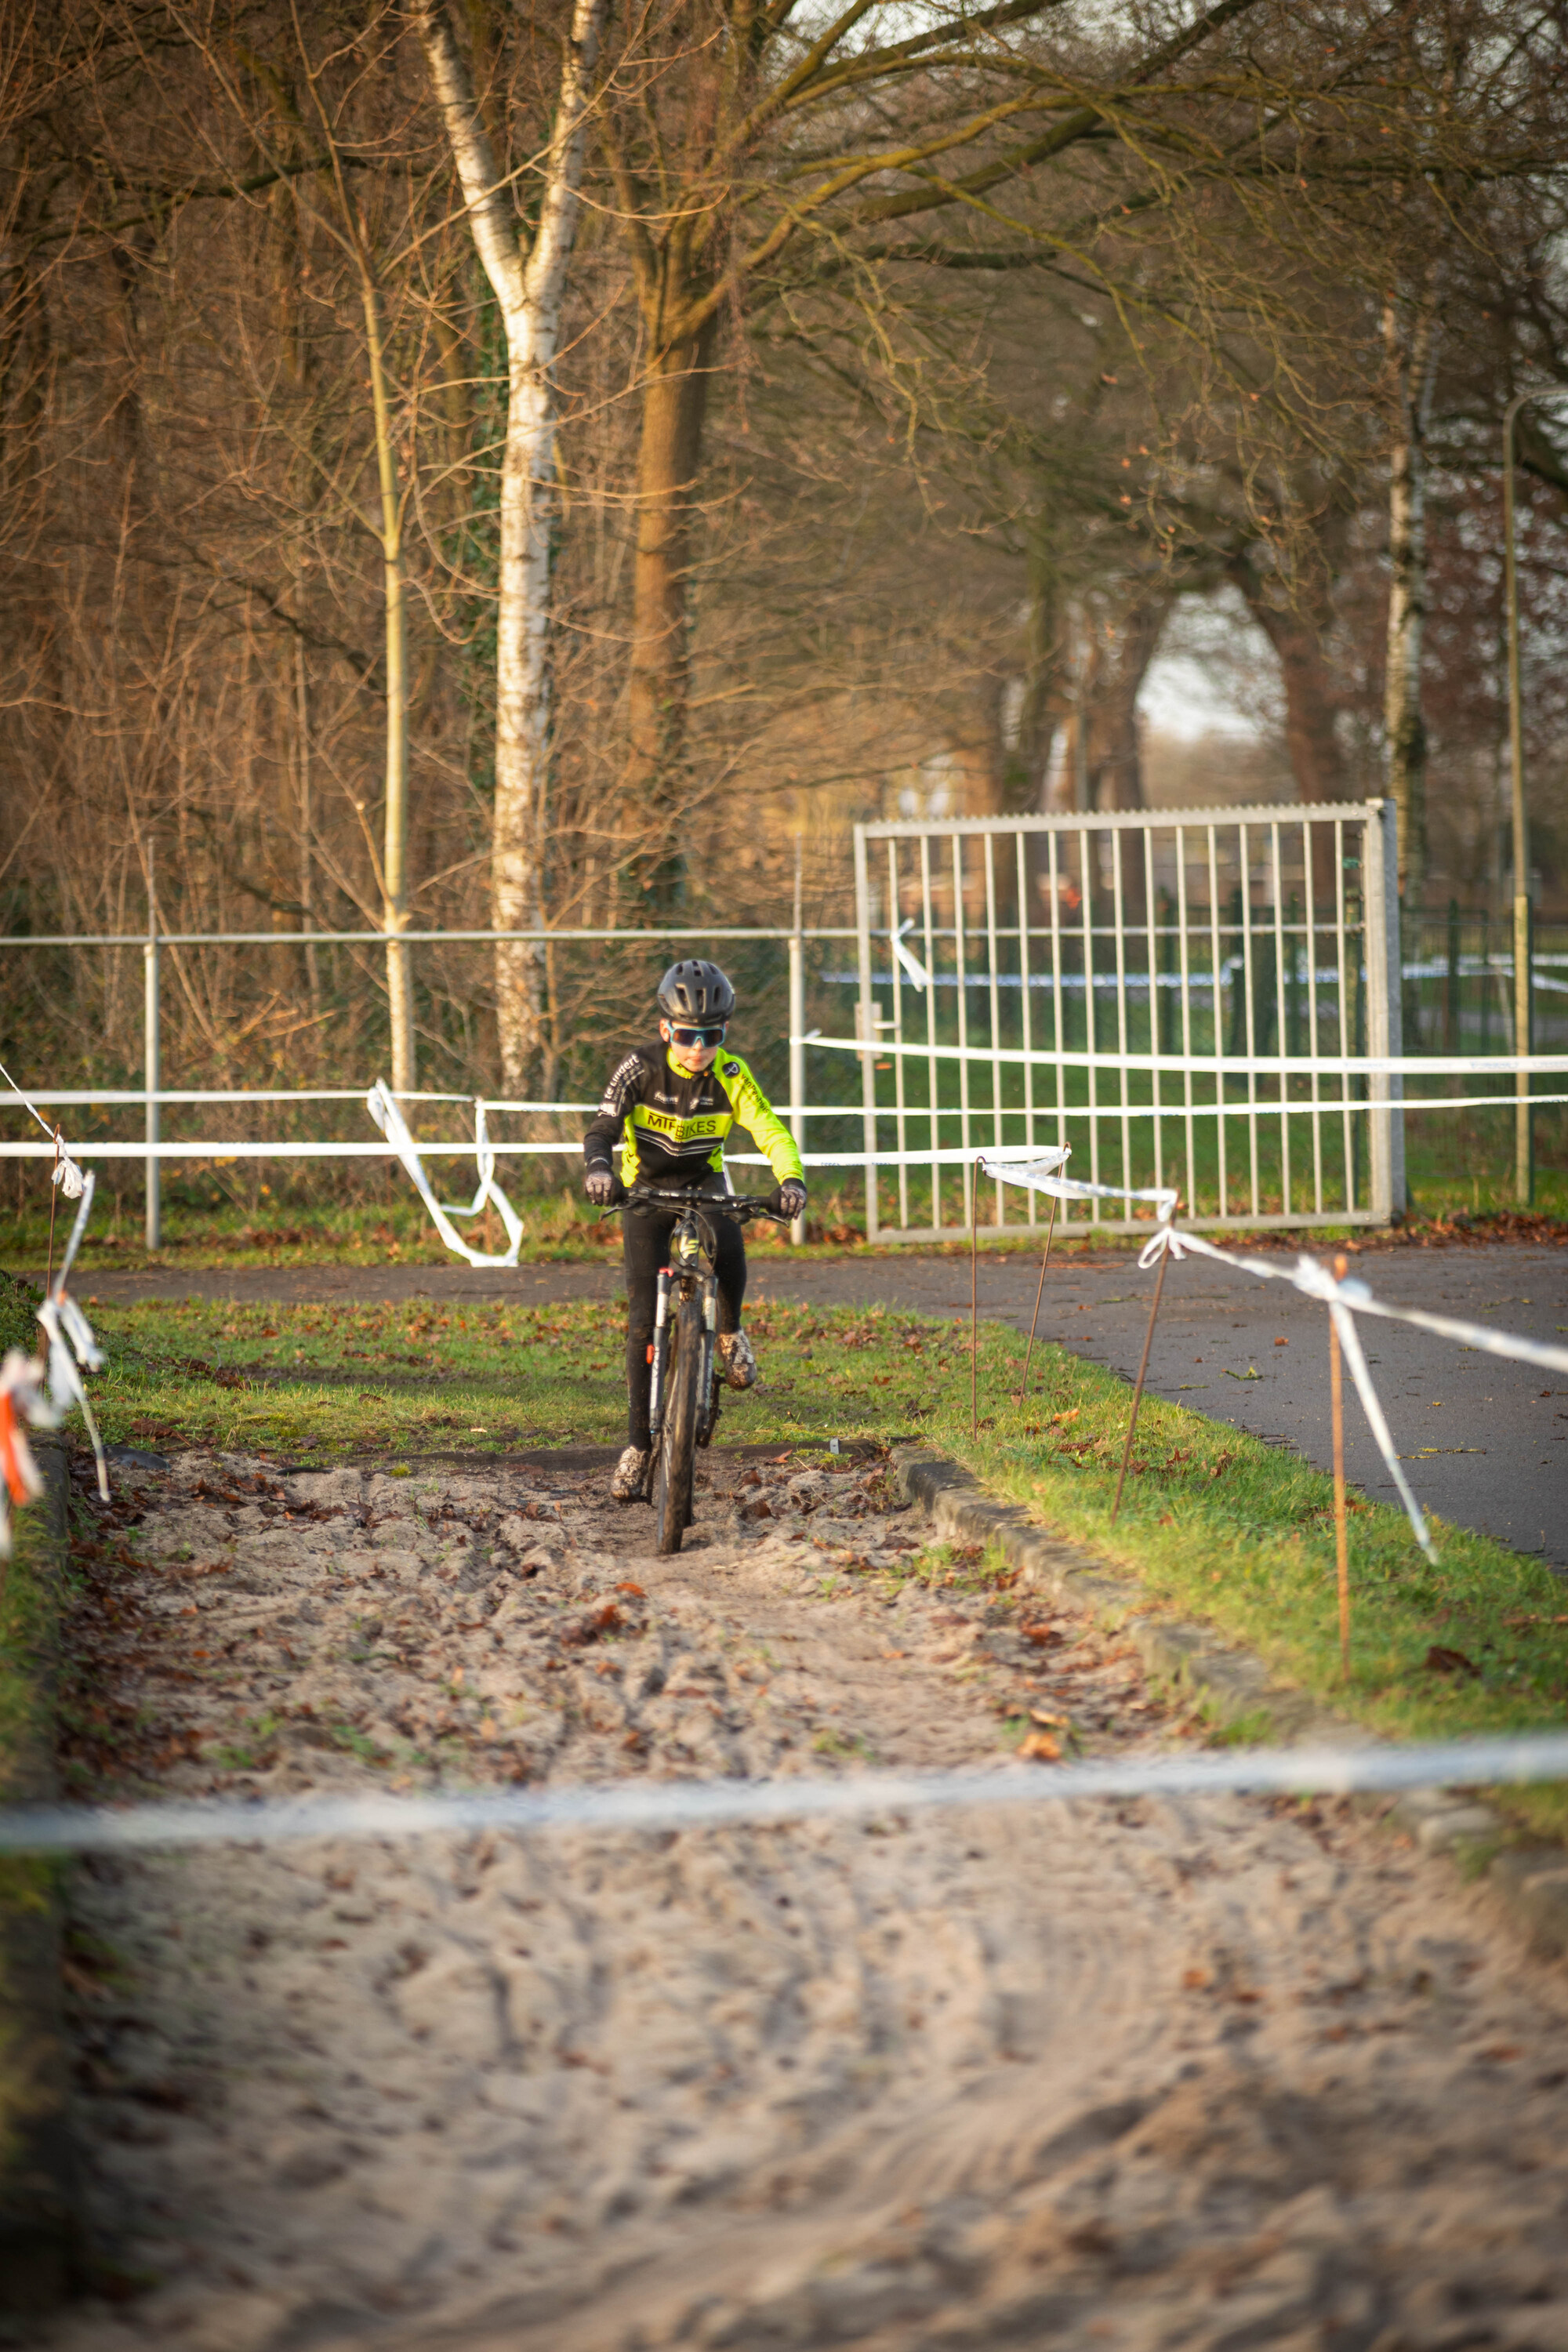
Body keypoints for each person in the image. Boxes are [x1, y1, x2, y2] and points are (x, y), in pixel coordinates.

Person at [583, 960, 808, 1501]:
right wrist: (598, 1169)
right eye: (686, 1035)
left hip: (704, 1182)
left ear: (723, 1034)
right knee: (641, 1323)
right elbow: (604, 1125)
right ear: (666, 1030)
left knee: (728, 1238)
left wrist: (791, 1180)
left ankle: (728, 1331)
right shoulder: (638, 1067)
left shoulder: (730, 1075)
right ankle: (638, 1447)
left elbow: (770, 1132)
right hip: (644, 1191)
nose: (698, 1047)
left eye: (711, 1036)